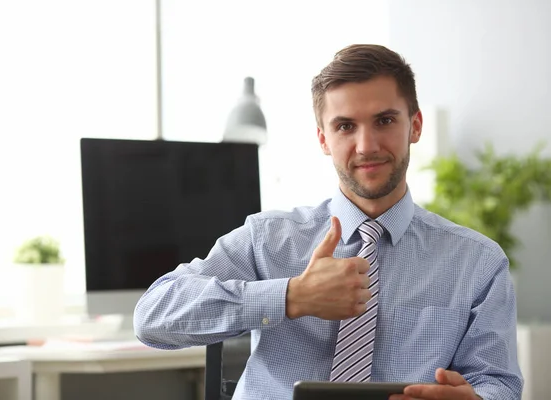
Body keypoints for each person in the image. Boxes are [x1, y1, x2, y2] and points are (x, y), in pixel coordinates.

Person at [133, 44, 523, 400]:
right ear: (323, 139)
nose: (366, 145)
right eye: (345, 126)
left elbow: (500, 383)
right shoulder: (268, 239)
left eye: (385, 120)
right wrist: (291, 297)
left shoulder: (478, 262)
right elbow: (152, 317)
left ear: (415, 125)